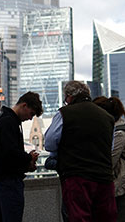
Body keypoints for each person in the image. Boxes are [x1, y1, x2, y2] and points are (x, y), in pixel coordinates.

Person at [44, 81, 116, 222]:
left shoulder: (64, 114)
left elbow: (50, 143)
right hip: (104, 178)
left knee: (79, 217)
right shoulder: (107, 117)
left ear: (69, 97)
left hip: (76, 176)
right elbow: (110, 148)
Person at [0, 92, 43, 222]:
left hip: (7, 180)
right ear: (24, 105)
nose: (30, 118)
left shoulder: (7, 121)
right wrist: (28, 158)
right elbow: (10, 153)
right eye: (31, 114)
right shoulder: (9, 122)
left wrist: (26, 163)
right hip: (9, 182)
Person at [94, 95, 125, 222]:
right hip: (118, 186)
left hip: (124, 186)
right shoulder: (114, 130)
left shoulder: (119, 133)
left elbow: (109, 161)